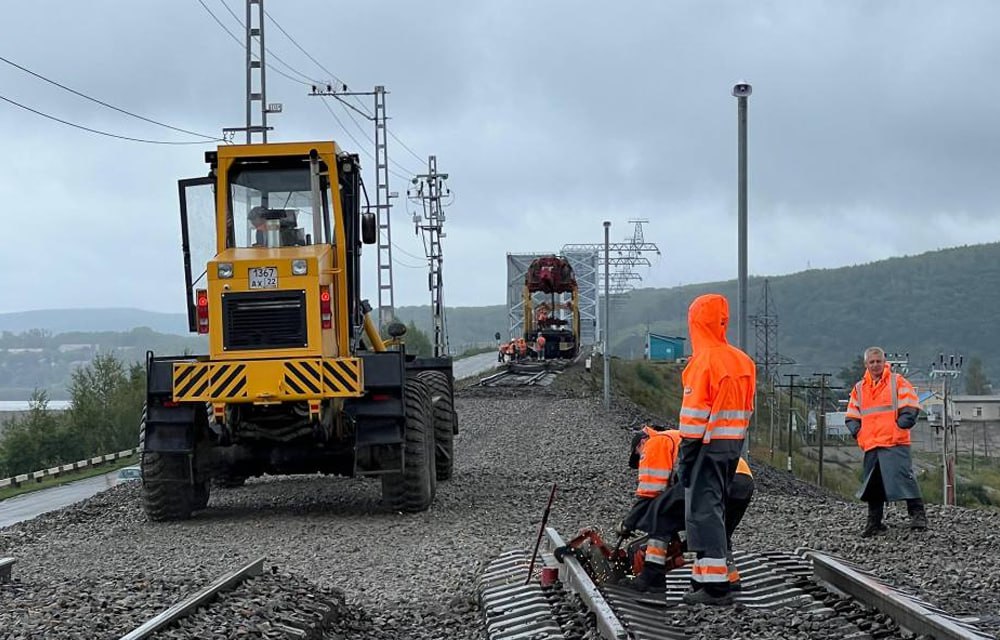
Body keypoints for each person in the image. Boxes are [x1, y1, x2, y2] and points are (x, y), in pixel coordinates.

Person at [676, 293, 755, 606]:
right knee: (715, 509)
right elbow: (747, 408)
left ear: (696, 322)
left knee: (703, 513)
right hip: (733, 446)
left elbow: (693, 419)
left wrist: (686, 458)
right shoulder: (742, 360)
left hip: (705, 447)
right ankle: (703, 579)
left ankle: (715, 587)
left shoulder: (703, 362)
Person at [845, 346, 927, 536]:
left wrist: (900, 425)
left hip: (894, 440)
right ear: (866, 364)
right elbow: (851, 415)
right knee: (873, 485)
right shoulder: (859, 388)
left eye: (878, 361)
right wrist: (859, 432)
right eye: (872, 362)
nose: (875, 365)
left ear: (884, 362)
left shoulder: (896, 381)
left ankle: (918, 517)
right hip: (872, 443)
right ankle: (874, 522)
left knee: (905, 478)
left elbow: (911, 406)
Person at [618, 423, 684, 592]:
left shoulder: (654, 443)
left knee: (660, 517)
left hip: (711, 478)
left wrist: (627, 523)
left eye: (638, 456)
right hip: (736, 479)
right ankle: (729, 580)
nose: (641, 461)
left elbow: (650, 492)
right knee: (716, 531)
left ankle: (651, 578)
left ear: (641, 444)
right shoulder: (672, 439)